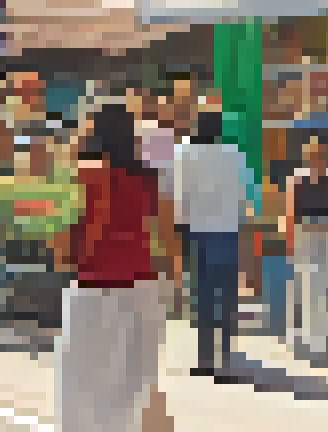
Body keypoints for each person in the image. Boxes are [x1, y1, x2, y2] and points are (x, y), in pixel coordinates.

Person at [55, 101, 182, 432]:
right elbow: (166, 233)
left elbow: (67, 227)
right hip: (143, 286)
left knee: (81, 389)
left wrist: (65, 257)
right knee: (132, 388)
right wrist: (173, 278)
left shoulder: (85, 172)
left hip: (94, 285)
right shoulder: (149, 177)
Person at [171, 108, 252, 376]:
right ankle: (225, 355)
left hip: (198, 232)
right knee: (227, 296)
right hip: (229, 230)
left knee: (203, 296)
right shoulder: (234, 154)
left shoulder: (184, 152)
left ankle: (205, 358)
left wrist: (179, 231)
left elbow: (180, 195)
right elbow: (244, 195)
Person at [284, 135, 328, 364]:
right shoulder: (297, 180)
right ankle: (308, 340)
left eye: (320, 155)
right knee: (306, 289)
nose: (317, 159)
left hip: (327, 238)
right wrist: (291, 242)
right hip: (307, 237)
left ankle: (322, 342)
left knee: (325, 290)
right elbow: (291, 214)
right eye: (313, 155)